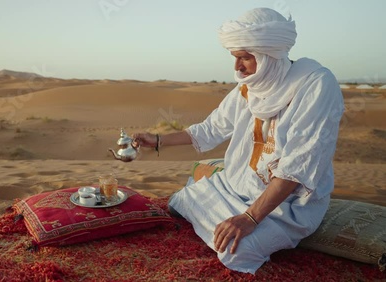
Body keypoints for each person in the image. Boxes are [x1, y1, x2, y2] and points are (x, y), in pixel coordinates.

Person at [132, 7, 344, 274]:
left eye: (245, 57)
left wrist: (249, 218)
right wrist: (158, 139)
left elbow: (298, 167)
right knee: (180, 200)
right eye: (235, 57)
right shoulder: (251, 85)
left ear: (269, 54)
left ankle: (231, 223)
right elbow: (211, 129)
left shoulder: (316, 85)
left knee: (236, 252)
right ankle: (214, 211)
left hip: (288, 205)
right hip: (236, 187)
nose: (237, 67)